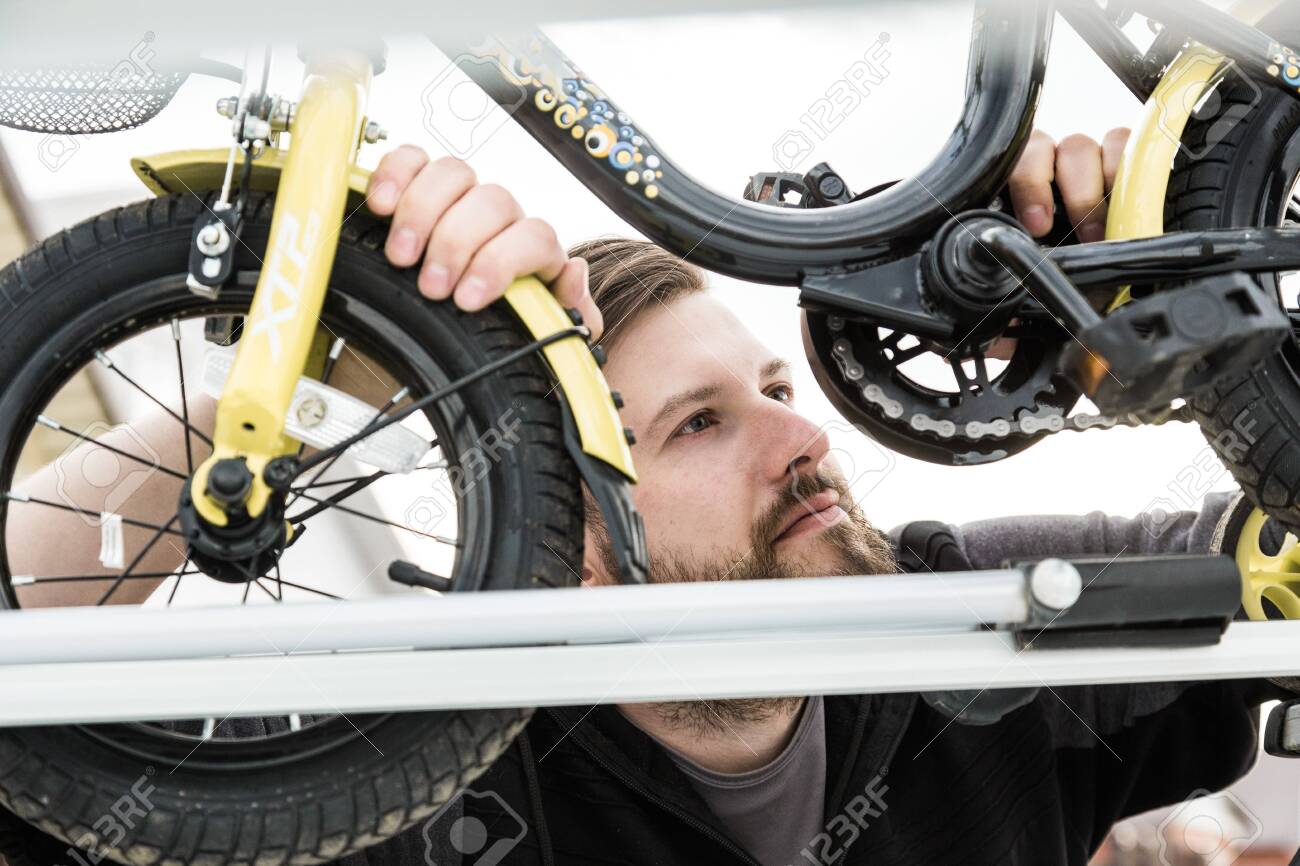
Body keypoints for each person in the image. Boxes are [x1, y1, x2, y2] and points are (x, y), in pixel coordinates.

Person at [11, 131, 1289, 866]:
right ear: (561, 536)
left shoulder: (984, 617)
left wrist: (1176, 282)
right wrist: (312, 362)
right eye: (700, 423)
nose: (803, 435)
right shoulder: (420, 775)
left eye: (774, 385)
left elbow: (1275, 550)